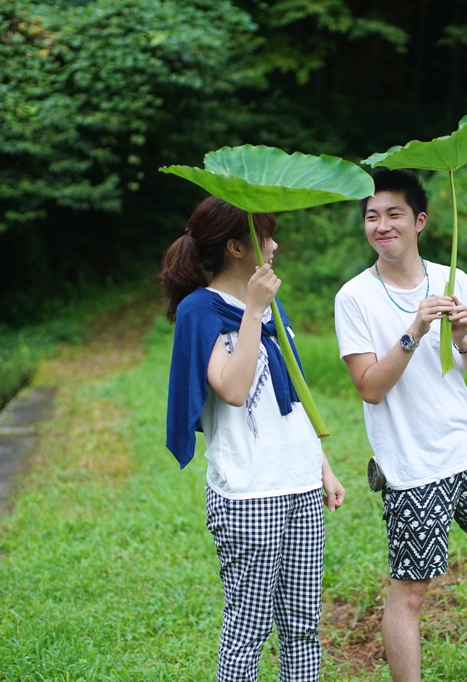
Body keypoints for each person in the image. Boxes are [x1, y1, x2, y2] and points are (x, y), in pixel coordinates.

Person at [334, 169, 467, 682]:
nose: (382, 225)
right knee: (412, 589)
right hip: (411, 465)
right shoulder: (353, 297)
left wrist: (462, 336)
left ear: (419, 221)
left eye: (394, 214)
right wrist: (415, 329)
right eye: (372, 216)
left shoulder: (454, 280)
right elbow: (370, 386)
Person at [161, 196, 345, 682]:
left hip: (301, 486)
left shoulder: (270, 307)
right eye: (266, 236)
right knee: (248, 630)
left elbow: (295, 394)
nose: (276, 245)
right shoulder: (199, 311)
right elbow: (234, 389)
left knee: (304, 628)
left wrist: (321, 467)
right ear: (238, 247)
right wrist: (253, 311)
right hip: (249, 494)